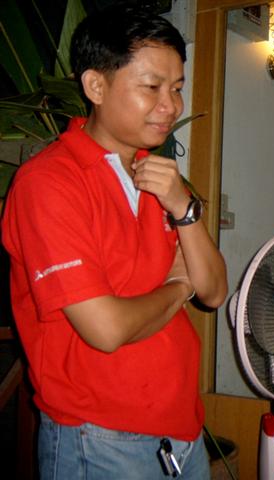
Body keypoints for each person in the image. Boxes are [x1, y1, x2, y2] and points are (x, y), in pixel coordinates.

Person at [1, 5, 227, 478]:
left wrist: (182, 206)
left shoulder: (159, 177)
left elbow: (213, 291)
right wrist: (177, 288)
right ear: (95, 86)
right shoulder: (49, 182)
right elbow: (105, 329)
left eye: (177, 88)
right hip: (98, 438)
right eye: (152, 87)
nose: (171, 106)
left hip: (182, 429)